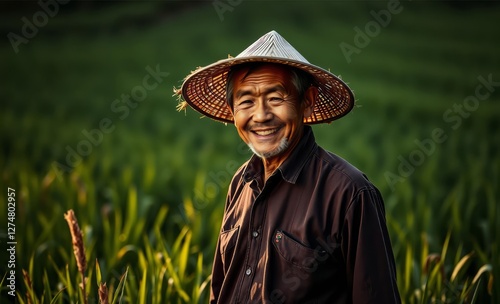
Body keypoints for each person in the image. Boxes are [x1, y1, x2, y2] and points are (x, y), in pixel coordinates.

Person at [176, 30, 401, 303]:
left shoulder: (349, 193)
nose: (261, 116)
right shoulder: (241, 184)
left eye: (275, 98)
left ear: (307, 102)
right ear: (233, 110)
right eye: (246, 101)